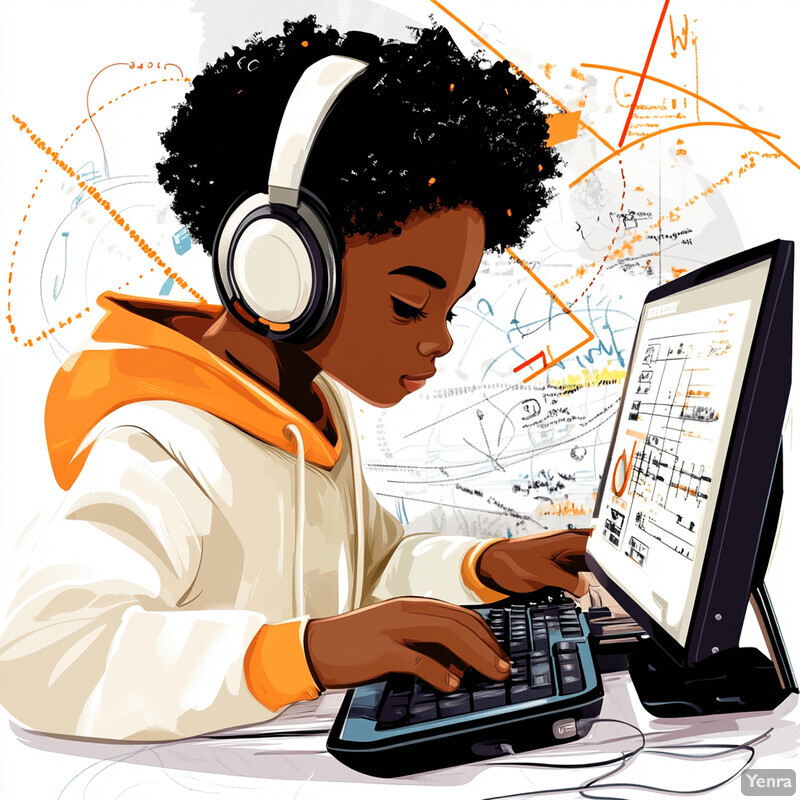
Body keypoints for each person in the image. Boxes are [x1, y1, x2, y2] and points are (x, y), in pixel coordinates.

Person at [0, 16, 591, 741]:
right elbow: (43, 653)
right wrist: (303, 654)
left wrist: (485, 567)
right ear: (281, 267)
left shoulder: (314, 408)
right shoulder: (160, 444)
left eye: (451, 308)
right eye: (411, 302)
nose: (440, 339)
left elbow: (371, 568)